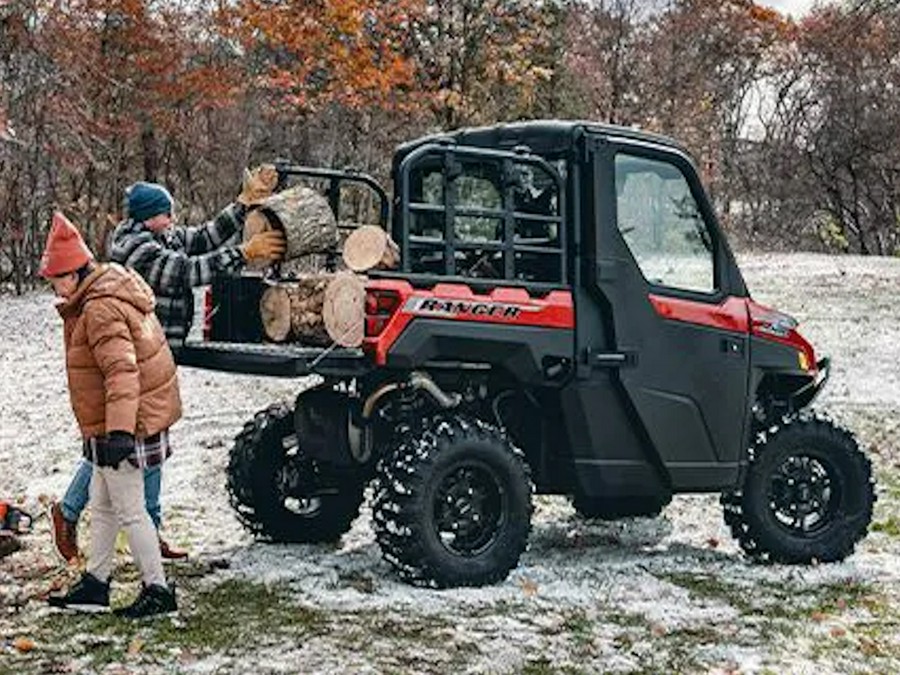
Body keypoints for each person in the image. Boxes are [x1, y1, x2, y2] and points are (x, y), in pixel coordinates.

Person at [49, 167, 285, 563]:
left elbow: (203, 237)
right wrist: (242, 254)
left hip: (158, 357)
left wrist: (242, 207)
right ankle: (70, 511)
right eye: (166, 213)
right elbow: (185, 271)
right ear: (146, 217)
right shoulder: (135, 248)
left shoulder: (163, 235)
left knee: (150, 442)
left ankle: (149, 529)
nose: (173, 220)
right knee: (117, 444)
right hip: (133, 360)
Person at [42, 212, 181, 617]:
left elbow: (122, 371)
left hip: (124, 424)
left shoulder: (99, 309)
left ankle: (158, 590)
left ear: (74, 273)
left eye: (57, 281)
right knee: (101, 505)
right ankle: (96, 584)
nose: (56, 290)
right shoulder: (103, 293)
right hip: (112, 421)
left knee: (130, 510)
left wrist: (119, 432)